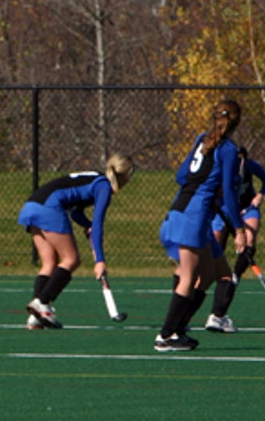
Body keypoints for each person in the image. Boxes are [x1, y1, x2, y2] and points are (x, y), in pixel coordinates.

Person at [155, 100, 247, 351]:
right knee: (189, 277)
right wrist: (239, 229)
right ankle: (166, 335)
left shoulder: (202, 139)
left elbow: (181, 176)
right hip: (192, 217)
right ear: (237, 123)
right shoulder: (228, 149)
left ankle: (179, 328)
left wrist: (208, 191)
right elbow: (228, 191)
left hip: (180, 209)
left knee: (210, 275)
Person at [17, 153, 133, 329]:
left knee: (49, 263)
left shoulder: (95, 178)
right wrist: (100, 260)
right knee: (71, 260)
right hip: (49, 208)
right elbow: (99, 224)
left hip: (31, 205)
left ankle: (37, 316)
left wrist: (87, 226)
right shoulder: (104, 187)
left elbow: (76, 212)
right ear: (125, 175)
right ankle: (42, 302)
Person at [204, 147, 265, 333]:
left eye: (241, 159)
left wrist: (260, 195)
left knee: (250, 240)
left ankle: (235, 275)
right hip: (225, 209)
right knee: (213, 251)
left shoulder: (249, 166)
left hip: (247, 206)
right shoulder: (221, 171)